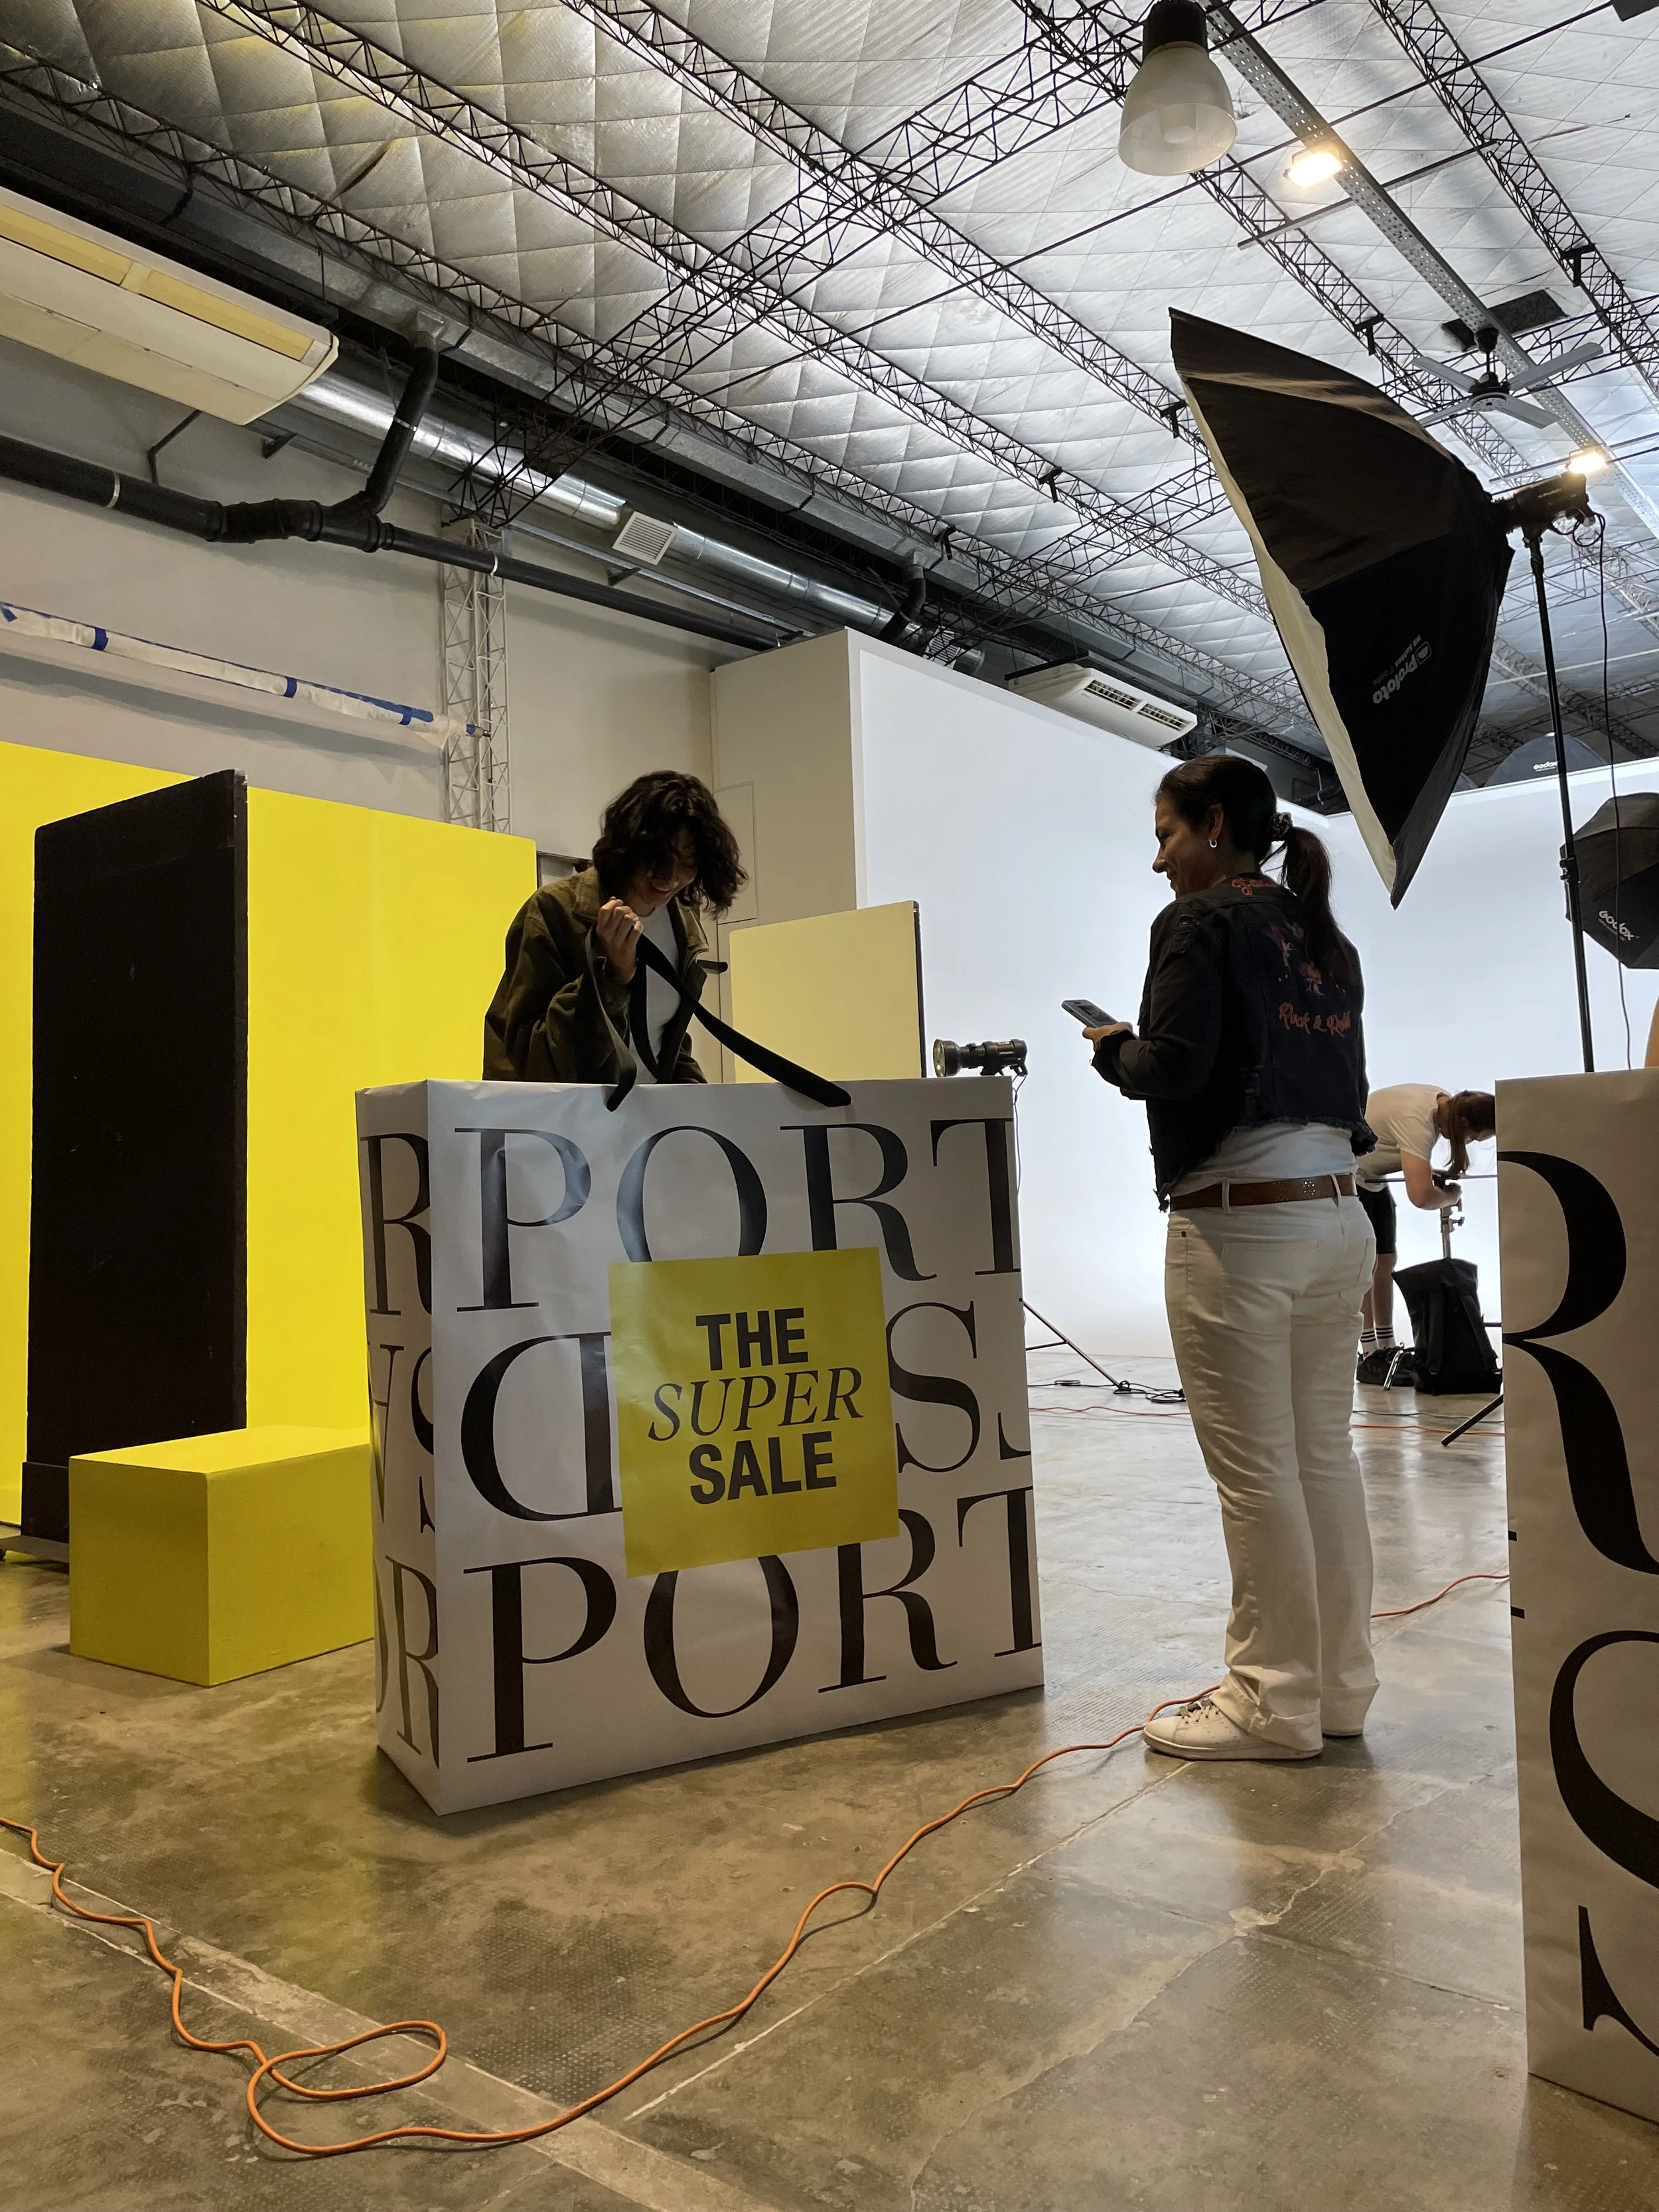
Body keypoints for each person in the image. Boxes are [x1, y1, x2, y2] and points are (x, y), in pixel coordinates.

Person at [1086, 755, 1376, 1764]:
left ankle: (1270, 1700)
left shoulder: (1200, 923)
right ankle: (1337, 1689)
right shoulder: (1320, 932)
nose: (1158, 857)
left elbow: (1172, 1068)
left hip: (1242, 1223)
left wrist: (1110, 1046)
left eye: (1168, 833)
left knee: (1257, 1475)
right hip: (1340, 1216)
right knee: (1321, 1459)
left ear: (1214, 825)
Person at [483, 771, 745, 1084]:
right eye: (658, 859)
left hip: (641, 1119)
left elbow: (662, 1035)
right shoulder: (556, 910)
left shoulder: (682, 921)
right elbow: (531, 1054)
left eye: (688, 863)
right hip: (564, 1120)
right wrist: (613, 977)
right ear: (628, 847)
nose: (670, 878)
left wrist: (694, 1097)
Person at [1354, 1087, 1496, 1387]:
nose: (1468, 1144)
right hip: (1353, 1174)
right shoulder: (1420, 1122)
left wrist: (1424, 1171)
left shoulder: (1442, 1102)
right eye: (1472, 1139)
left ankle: (1387, 1346)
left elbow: (1398, 1149)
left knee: (1385, 1261)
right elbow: (1420, 1197)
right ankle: (1369, 1355)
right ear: (1465, 1126)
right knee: (1367, 1264)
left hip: (1372, 1178)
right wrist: (1450, 1197)